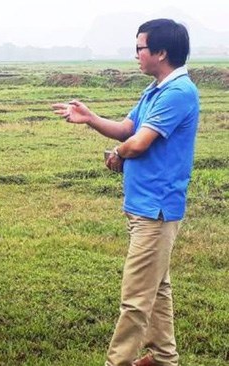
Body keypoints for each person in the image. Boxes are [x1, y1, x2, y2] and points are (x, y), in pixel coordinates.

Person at [53, 19, 199, 366]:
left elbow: (137, 144)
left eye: (140, 48)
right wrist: (91, 118)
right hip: (142, 206)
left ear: (161, 52)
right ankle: (165, 359)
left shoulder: (178, 92)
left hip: (157, 209)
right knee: (157, 289)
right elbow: (126, 129)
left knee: (135, 299)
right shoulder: (156, 90)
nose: (136, 55)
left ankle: (116, 362)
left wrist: (118, 155)